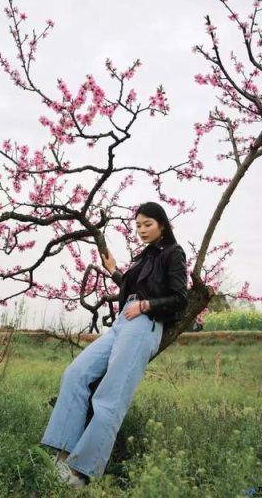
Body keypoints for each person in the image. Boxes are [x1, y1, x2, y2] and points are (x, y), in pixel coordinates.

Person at [40, 201, 188, 486]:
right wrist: (114, 271)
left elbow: (180, 298)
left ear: (162, 225)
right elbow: (132, 287)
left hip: (144, 324)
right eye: (138, 226)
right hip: (123, 322)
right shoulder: (144, 256)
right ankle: (63, 453)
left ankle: (80, 473)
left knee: (110, 397)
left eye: (148, 224)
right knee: (75, 374)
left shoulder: (173, 253)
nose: (142, 230)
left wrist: (145, 305)